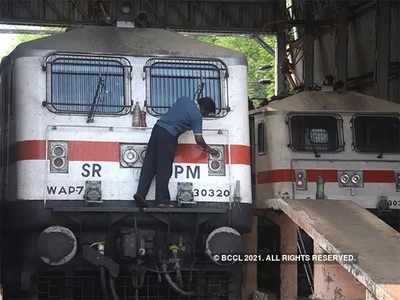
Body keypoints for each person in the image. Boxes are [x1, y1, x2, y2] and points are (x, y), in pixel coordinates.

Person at [134, 96, 219, 208]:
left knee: (149, 165)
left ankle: (140, 194)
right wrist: (209, 149)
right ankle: (162, 201)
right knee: (164, 168)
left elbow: (178, 114)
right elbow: (199, 139)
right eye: (206, 114)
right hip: (168, 136)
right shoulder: (196, 116)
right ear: (204, 108)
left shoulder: (184, 99)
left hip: (157, 130)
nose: (204, 116)